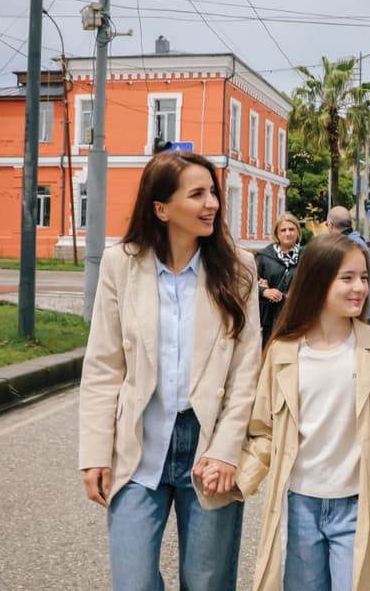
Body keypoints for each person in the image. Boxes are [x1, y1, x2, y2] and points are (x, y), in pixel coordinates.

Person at [78, 151, 261, 590]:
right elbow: (104, 365)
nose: (212, 203)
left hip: (209, 446)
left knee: (207, 583)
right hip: (140, 447)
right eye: (197, 194)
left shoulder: (238, 269)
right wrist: (95, 453)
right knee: (133, 582)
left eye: (213, 192)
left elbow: (245, 372)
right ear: (161, 208)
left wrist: (226, 450)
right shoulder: (121, 265)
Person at [235, 233, 370, 591]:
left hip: (358, 504)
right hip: (299, 505)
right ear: (318, 281)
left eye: (364, 278)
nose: (360, 288)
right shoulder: (283, 351)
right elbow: (264, 432)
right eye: (347, 278)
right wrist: (236, 477)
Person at [255, 212, 302, 348]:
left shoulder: (306, 256)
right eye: (283, 230)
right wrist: (264, 291)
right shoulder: (264, 257)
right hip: (270, 320)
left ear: (298, 232)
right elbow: (249, 285)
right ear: (277, 234)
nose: (287, 233)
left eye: (291, 229)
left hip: (297, 317)